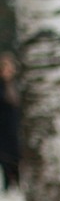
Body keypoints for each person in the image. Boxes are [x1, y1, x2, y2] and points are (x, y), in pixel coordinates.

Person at [0, 51, 20, 191]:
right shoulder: (2, 86)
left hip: (14, 126)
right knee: (5, 155)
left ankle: (16, 181)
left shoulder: (15, 84)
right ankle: (9, 182)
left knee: (16, 154)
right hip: (3, 127)